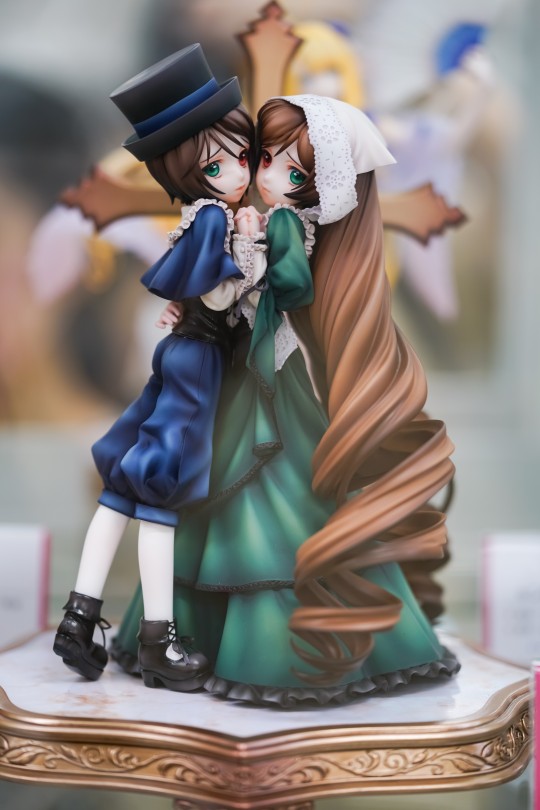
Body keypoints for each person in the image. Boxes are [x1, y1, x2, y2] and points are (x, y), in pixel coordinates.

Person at [113, 94, 459, 706]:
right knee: (211, 485)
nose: (267, 175)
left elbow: (293, 287)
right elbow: (218, 286)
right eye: (266, 157)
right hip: (234, 367)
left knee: (275, 485)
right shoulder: (251, 218)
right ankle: (178, 633)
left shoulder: (286, 225)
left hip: (271, 369)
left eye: (294, 173)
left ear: (321, 187)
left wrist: (254, 257)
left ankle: (269, 646)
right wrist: (196, 300)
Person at [53, 44, 255, 692]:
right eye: (218, 163)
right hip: (198, 363)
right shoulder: (214, 220)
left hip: (178, 353)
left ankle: (78, 619)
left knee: (122, 484)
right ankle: (159, 642)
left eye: (241, 155)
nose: (239, 170)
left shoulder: (197, 216)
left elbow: (179, 287)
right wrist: (254, 273)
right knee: (160, 497)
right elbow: (215, 295)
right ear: (184, 171)